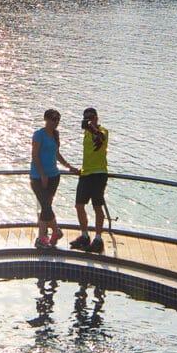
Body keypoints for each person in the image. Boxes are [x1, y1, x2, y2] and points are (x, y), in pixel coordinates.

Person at [29, 109, 74, 247]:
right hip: (38, 177)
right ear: (46, 119)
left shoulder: (55, 134)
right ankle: (55, 231)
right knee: (45, 205)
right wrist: (42, 174)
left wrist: (68, 166)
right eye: (53, 119)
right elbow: (35, 155)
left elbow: (57, 154)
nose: (56, 122)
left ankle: (42, 237)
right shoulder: (39, 134)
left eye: (58, 120)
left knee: (46, 206)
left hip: (54, 176)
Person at [73, 107, 111, 250]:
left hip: (99, 173)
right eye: (85, 118)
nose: (88, 120)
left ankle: (98, 238)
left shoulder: (103, 131)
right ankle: (84, 235)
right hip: (85, 173)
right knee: (79, 205)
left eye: (90, 117)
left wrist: (91, 128)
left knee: (97, 206)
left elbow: (101, 138)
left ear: (96, 117)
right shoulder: (86, 134)